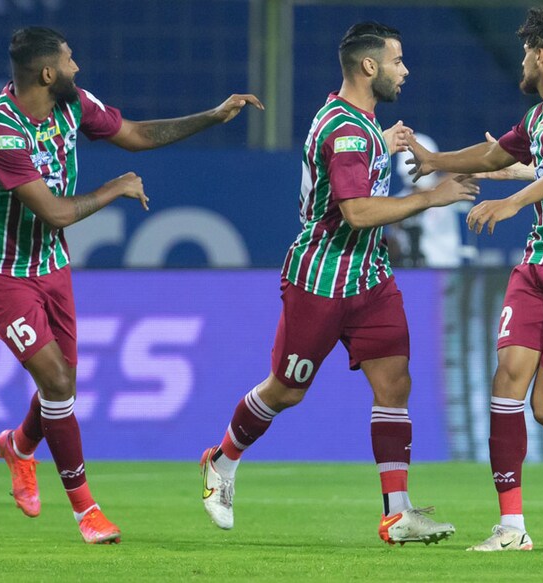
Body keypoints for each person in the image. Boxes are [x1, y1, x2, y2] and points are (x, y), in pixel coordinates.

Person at [0, 26, 263, 544]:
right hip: (0, 272)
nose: (78, 67)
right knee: (57, 383)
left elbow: (138, 134)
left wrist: (212, 116)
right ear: (47, 73)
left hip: (51, 266)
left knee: (64, 385)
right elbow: (55, 211)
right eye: (70, 59)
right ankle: (87, 511)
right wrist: (114, 188)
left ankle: (18, 446)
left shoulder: (72, 104)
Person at [198, 21, 476, 546]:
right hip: (322, 279)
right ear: (369, 67)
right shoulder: (346, 130)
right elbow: (355, 211)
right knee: (286, 390)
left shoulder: (359, 124)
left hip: (370, 277)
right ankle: (221, 462)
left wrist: (383, 143)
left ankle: (397, 514)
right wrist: (429, 197)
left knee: (395, 384)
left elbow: (356, 165)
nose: (405, 70)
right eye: (397, 61)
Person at [407, 5, 543, 551]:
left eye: (526, 51)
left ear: (542, 53)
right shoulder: (538, 119)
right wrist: (437, 160)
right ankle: (512, 527)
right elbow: (495, 152)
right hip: (537, 266)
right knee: (508, 376)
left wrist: (513, 201)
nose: (521, 63)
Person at [388, 133, 474, 267]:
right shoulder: (399, 199)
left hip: (445, 269)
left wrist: (431, 190)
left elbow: (471, 171)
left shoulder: (446, 190)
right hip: (411, 270)